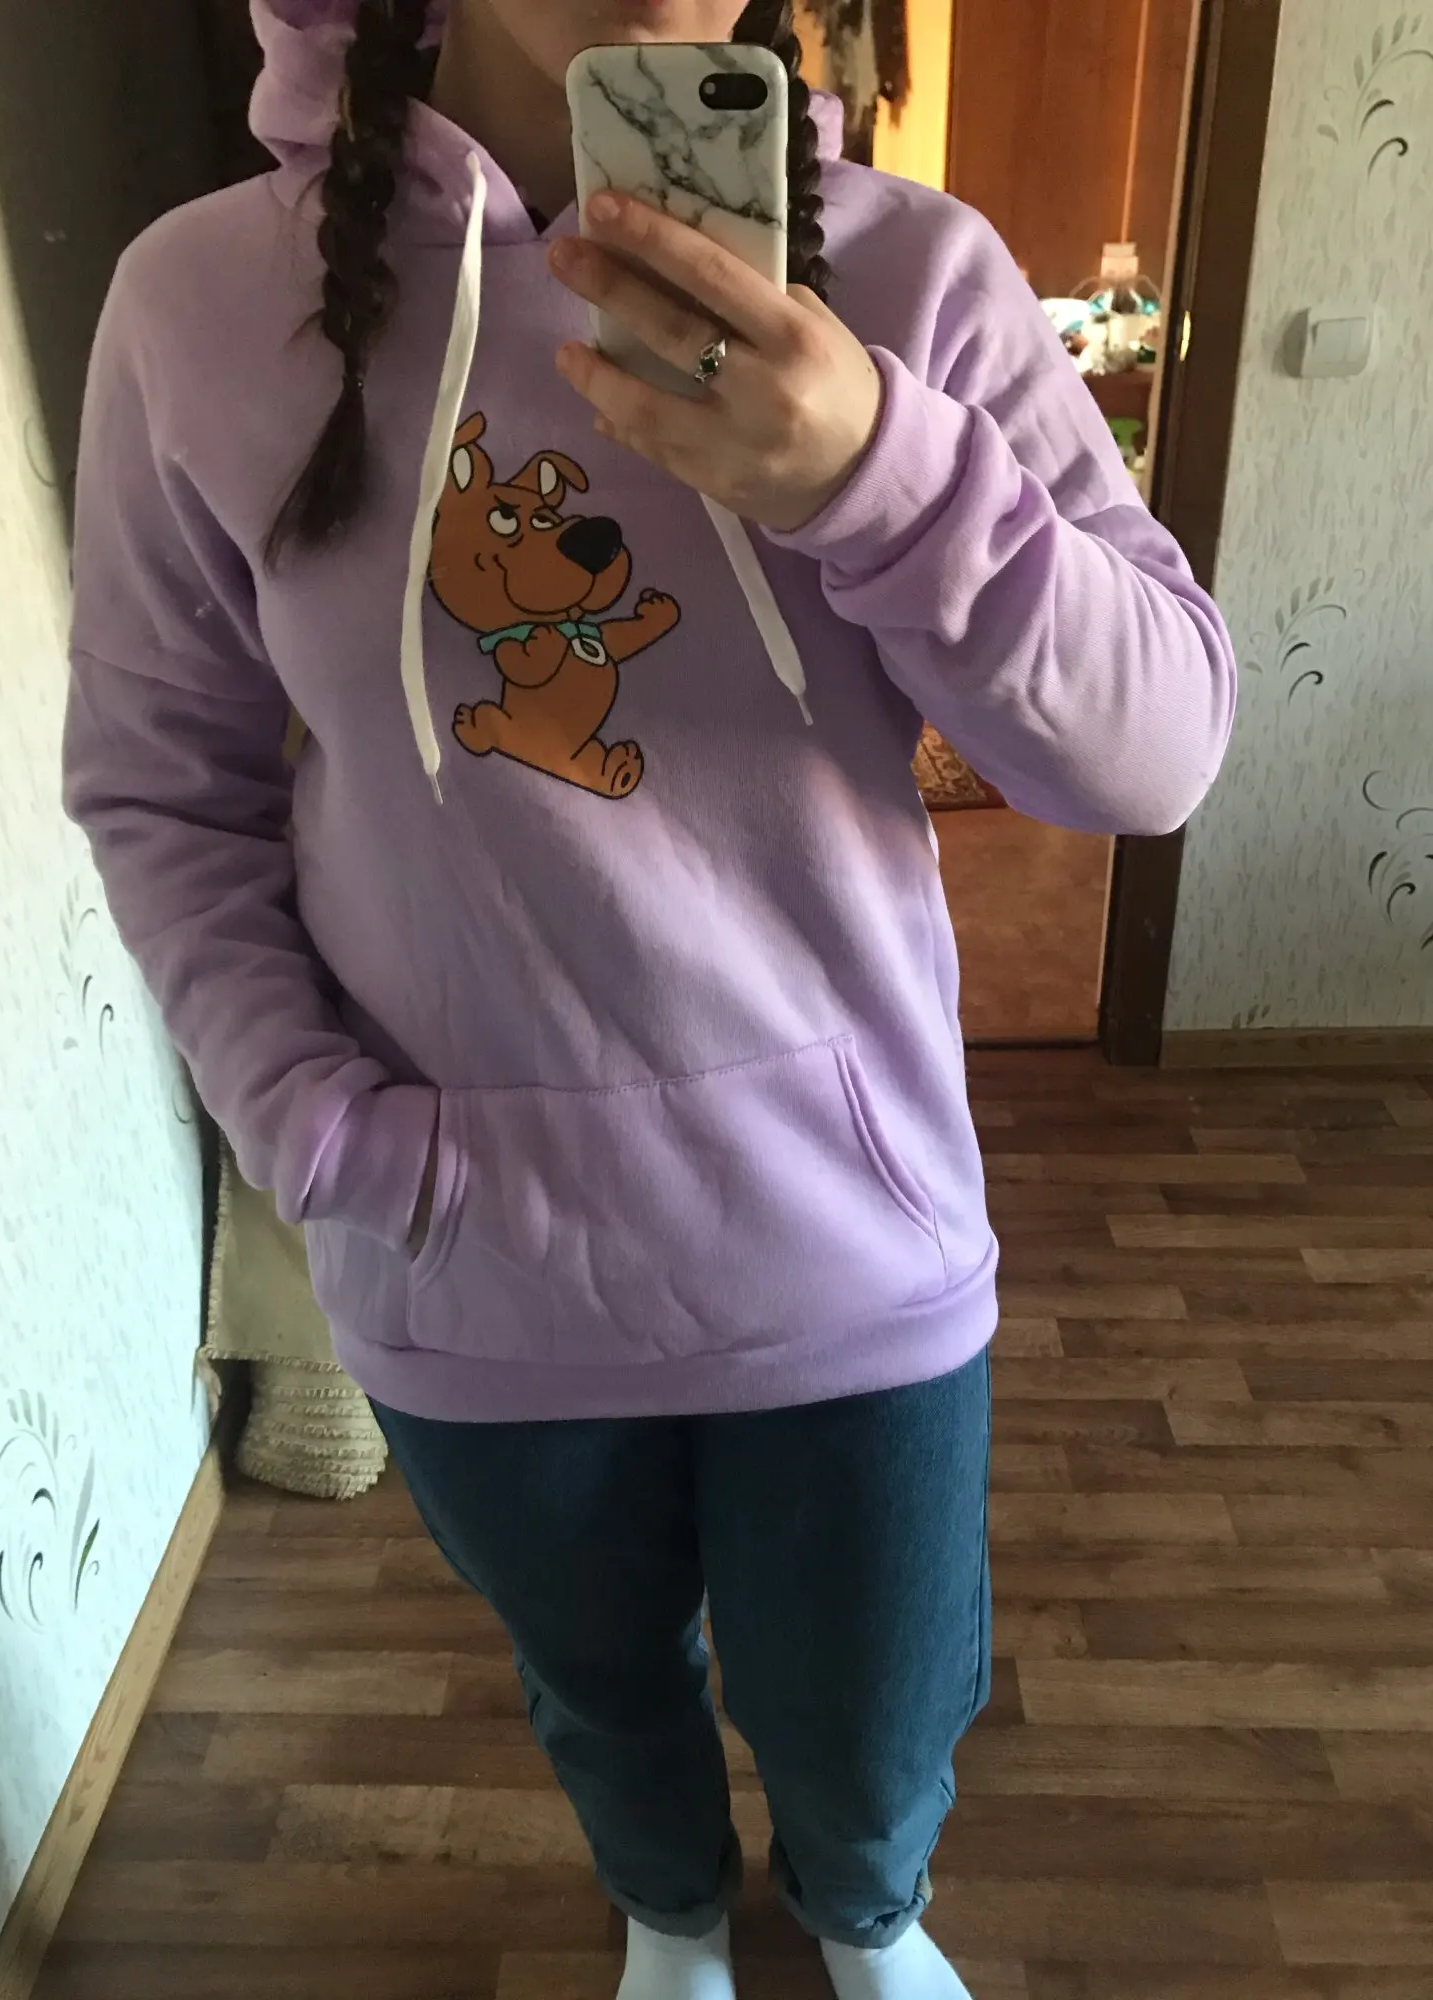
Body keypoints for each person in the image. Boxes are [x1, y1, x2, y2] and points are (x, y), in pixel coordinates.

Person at [64, 2, 1236, 1995]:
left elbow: (1158, 748)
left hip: (845, 1240)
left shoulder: (916, 279)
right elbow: (161, 786)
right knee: (599, 1687)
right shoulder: (195, 306)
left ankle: (867, 1921)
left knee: (873, 1716)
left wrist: (876, 471)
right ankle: (672, 1914)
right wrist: (313, 1130)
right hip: (462, 1253)